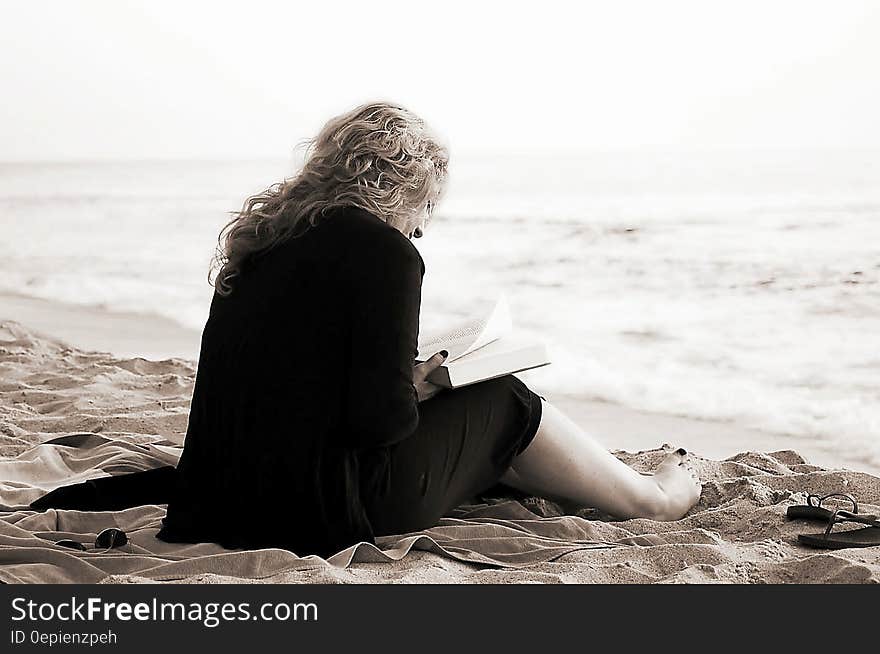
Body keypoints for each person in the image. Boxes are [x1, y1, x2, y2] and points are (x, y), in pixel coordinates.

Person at [31, 102, 701, 557]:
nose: (423, 226)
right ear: (406, 185)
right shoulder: (384, 252)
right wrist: (421, 386)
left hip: (222, 501)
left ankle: (589, 477)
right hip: (319, 517)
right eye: (428, 205)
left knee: (480, 421)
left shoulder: (264, 241)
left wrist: (402, 380)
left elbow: (281, 384)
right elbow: (379, 426)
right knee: (504, 397)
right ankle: (651, 501)